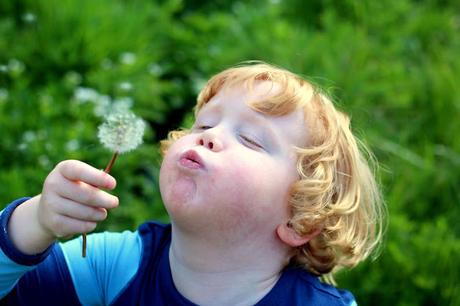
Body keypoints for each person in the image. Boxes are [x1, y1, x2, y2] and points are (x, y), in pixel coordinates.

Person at [0, 62, 385, 305]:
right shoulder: (115, 266)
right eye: (204, 123)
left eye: (251, 139)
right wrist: (35, 222)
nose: (209, 135)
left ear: (301, 218)